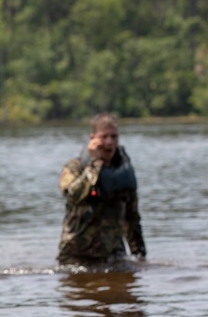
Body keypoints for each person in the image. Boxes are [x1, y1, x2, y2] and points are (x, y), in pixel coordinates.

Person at [57, 113, 146, 266]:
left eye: (114, 136)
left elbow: (132, 216)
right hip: (77, 254)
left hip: (113, 253)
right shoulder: (75, 167)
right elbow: (73, 195)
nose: (109, 142)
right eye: (104, 137)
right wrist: (94, 164)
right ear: (93, 138)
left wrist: (139, 252)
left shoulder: (123, 172)